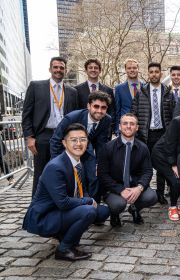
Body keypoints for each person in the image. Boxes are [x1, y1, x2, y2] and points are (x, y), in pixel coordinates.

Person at [22, 123, 110, 261]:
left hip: (59, 210)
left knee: (102, 211)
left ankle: (65, 234)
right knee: (89, 211)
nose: (79, 144)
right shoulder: (56, 167)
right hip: (44, 217)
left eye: (83, 139)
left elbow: (82, 190)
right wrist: (88, 201)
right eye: (73, 140)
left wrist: (88, 200)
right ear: (64, 143)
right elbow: (63, 202)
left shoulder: (78, 163)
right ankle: (64, 249)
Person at [22, 56, 78, 196]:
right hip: (43, 136)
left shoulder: (72, 92)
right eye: (56, 67)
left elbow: (75, 117)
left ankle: (61, 204)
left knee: (65, 172)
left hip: (65, 137)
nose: (58, 70)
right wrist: (29, 137)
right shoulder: (36, 86)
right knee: (41, 173)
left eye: (61, 68)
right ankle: (37, 207)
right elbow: (26, 114)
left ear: (65, 70)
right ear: (50, 69)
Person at [49, 91, 112, 202]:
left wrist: (99, 164)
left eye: (103, 108)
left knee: (93, 177)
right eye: (96, 106)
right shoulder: (72, 118)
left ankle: (92, 204)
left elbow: (101, 144)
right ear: (88, 106)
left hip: (87, 150)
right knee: (69, 179)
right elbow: (55, 140)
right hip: (67, 152)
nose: (99, 110)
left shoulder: (106, 120)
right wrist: (57, 162)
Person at [98, 113, 157, 227]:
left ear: (137, 127)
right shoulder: (108, 147)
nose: (128, 126)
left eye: (132, 124)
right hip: (114, 188)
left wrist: (139, 188)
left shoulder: (143, 148)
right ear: (120, 126)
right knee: (118, 204)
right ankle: (114, 214)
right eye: (125, 123)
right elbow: (102, 174)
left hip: (134, 185)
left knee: (151, 197)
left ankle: (134, 209)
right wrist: (120, 190)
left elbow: (147, 171)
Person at [131, 62, 175, 205]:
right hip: (146, 134)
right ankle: (145, 190)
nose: (154, 74)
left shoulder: (168, 92)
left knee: (162, 165)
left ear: (161, 74)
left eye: (157, 71)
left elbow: (173, 114)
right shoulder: (141, 92)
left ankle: (160, 193)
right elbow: (134, 113)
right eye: (151, 72)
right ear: (148, 74)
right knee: (145, 165)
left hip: (163, 134)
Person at [75, 58, 115, 137]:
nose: (93, 70)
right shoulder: (77, 89)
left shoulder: (108, 90)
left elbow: (111, 110)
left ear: (100, 71)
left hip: (103, 130)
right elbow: (76, 109)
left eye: (96, 68)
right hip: (83, 130)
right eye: (90, 68)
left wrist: (110, 128)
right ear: (86, 70)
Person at [115, 58, 141, 134]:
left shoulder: (145, 87)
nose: (132, 70)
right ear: (125, 70)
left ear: (138, 69)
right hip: (126, 127)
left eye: (134, 68)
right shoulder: (119, 88)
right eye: (129, 68)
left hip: (142, 127)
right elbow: (117, 110)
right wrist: (117, 129)